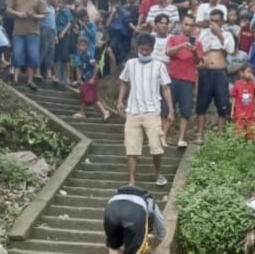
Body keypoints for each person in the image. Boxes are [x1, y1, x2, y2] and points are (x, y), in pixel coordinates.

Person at [117, 33, 174, 187]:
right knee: (132, 148)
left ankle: (159, 173)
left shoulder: (159, 66)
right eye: (141, 49)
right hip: (133, 111)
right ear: (138, 48)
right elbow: (124, 81)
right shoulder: (131, 64)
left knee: (156, 147)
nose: (143, 52)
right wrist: (120, 100)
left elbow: (166, 88)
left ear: (152, 49)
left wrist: (170, 110)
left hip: (152, 111)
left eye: (147, 50)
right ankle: (132, 181)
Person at [195, 8, 236, 143]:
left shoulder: (227, 34)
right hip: (205, 72)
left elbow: (230, 50)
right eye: (212, 21)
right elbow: (200, 51)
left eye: (217, 21)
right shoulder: (203, 34)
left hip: (220, 73)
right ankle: (200, 134)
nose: (214, 24)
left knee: (222, 103)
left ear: (222, 21)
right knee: (201, 104)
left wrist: (219, 34)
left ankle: (220, 136)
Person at [6, 0, 47, 90]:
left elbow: (44, 15)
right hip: (18, 32)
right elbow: (8, 9)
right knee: (18, 55)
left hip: (33, 32)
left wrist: (34, 15)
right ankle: (15, 79)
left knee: (32, 56)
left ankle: (30, 81)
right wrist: (18, 14)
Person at [164, 15, 198, 145]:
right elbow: (169, 52)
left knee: (186, 110)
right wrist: (182, 45)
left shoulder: (198, 43)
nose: (188, 27)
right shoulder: (173, 38)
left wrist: (194, 51)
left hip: (188, 79)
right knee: (167, 108)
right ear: (181, 24)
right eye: (186, 24)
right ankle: (163, 137)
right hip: (172, 78)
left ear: (194, 27)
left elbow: (198, 61)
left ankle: (181, 139)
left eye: (191, 25)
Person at [72, 37, 109, 120]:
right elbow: (82, 69)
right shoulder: (81, 56)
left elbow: (96, 66)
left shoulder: (89, 56)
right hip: (86, 79)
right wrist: (78, 80)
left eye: (83, 45)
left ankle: (84, 112)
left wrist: (93, 78)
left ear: (87, 46)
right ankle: (85, 112)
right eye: (80, 45)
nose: (81, 47)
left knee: (90, 96)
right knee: (84, 94)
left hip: (91, 79)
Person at [230, 64, 255, 139]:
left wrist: (254, 80)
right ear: (242, 73)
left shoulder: (252, 84)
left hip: (251, 113)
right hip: (240, 113)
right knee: (239, 133)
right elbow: (234, 98)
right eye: (248, 72)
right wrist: (232, 111)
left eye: (251, 72)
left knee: (251, 134)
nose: (250, 74)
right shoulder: (237, 84)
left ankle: (250, 148)